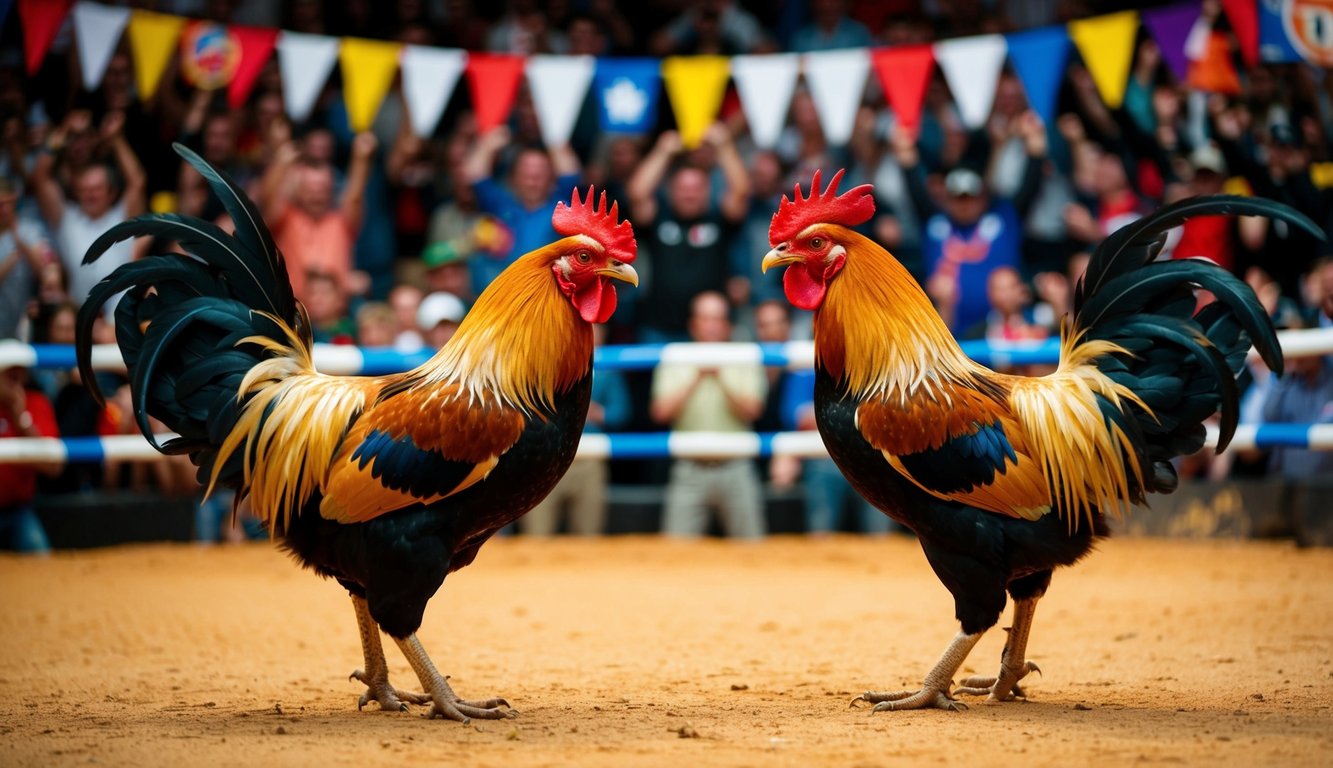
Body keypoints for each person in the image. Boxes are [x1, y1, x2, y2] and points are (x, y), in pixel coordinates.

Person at [895, 110, 1048, 333]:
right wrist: (905, 152)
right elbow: (915, 189)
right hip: (948, 335)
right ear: (946, 199)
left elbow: (1030, 185)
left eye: (970, 196)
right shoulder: (934, 223)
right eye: (957, 197)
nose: (964, 203)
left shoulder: (1005, 218)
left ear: (984, 196)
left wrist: (1035, 144)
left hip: (1001, 334)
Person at [650, 291, 766, 539]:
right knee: (675, 555)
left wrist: (720, 375)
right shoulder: (675, 355)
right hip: (689, 468)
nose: (711, 325)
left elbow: (754, 411)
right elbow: (660, 413)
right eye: (705, 318)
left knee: (753, 552)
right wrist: (697, 375)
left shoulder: (745, 355)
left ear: (727, 325)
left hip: (737, 466)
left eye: (717, 318)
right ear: (694, 324)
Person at [628, 125, 750, 343]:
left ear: (708, 190)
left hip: (711, 331)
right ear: (671, 190)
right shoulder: (659, 216)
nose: (689, 194)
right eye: (683, 188)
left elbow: (741, 192)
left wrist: (724, 147)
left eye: (696, 188)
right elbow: (637, 194)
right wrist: (662, 151)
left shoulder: (719, 217)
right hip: (659, 327)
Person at [520, 325, 631, 536]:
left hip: (589, 459)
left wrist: (598, 413)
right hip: (546, 459)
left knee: (588, 534)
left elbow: (622, 412)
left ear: (603, 335)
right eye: (583, 329)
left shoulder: (609, 368)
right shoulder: (545, 363)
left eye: (595, 330)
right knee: (536, 534)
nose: (589, 333)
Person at [31, 109, 146, 310]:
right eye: (84, 190)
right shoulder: (66, 217)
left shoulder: (123, 217)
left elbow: (137, 181)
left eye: (96, 189)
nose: (90, 195)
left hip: (120, 316)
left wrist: (116, 140)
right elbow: (40, 177)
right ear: (76, 193)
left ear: (111, 192)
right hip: (78, 313)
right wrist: (63, 131)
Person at [261, 131, 377, 305]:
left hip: (336, 318)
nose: (316, 196)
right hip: (293, 313)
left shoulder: (341, 222)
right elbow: (268, 197)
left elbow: (355, 197)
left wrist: (361, 158)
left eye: (322, 189)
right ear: (298, 189)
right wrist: (281, 163)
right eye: (310, 189)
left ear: (331, 189)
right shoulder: (285, 218)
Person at [462, 126, 581, 295]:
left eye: (539, 176)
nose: (532, 182)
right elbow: (474, 175)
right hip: (504, 294)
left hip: (548, 294)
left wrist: (554, 136)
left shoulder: (561, 206)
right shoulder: (501, 204)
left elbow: (571, 172)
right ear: (514, 178)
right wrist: (487, 145)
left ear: (551, 178)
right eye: (527, 175)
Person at [0, 359, 60, 554]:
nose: (14, 382)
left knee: (40, 558)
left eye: (19, 375)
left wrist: (21, 419)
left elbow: (54, 467)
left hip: (18, 510)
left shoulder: (35, 403)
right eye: (9, 374)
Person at [0, 177, 52, 339]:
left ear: (15, 199)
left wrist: (18, 238)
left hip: (24, 318)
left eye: (7, 203)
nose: (3, 210)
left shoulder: (30, 229)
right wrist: (12, 260)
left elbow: (43, 273)